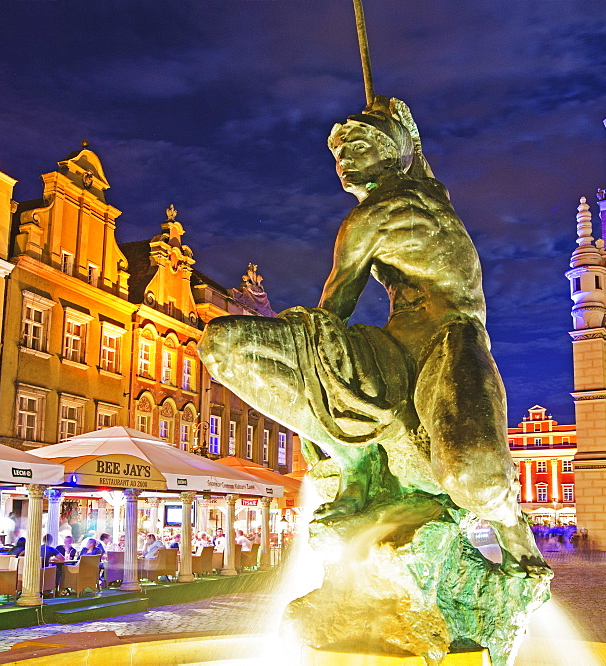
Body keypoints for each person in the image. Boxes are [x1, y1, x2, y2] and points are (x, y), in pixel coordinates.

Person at [198, 95, 549, 578]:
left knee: (473, 476)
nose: (342, 160)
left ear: (392, 150)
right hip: (390, 351)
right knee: (222, 344)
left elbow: (418, 165)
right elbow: (333, 309)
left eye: (356, 145)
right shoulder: (367, 219)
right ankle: (356, 460)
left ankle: (510, 522)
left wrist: (401, 127)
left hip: (452, 345)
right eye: (337, 151)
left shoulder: (422, 199)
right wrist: (321, 377)